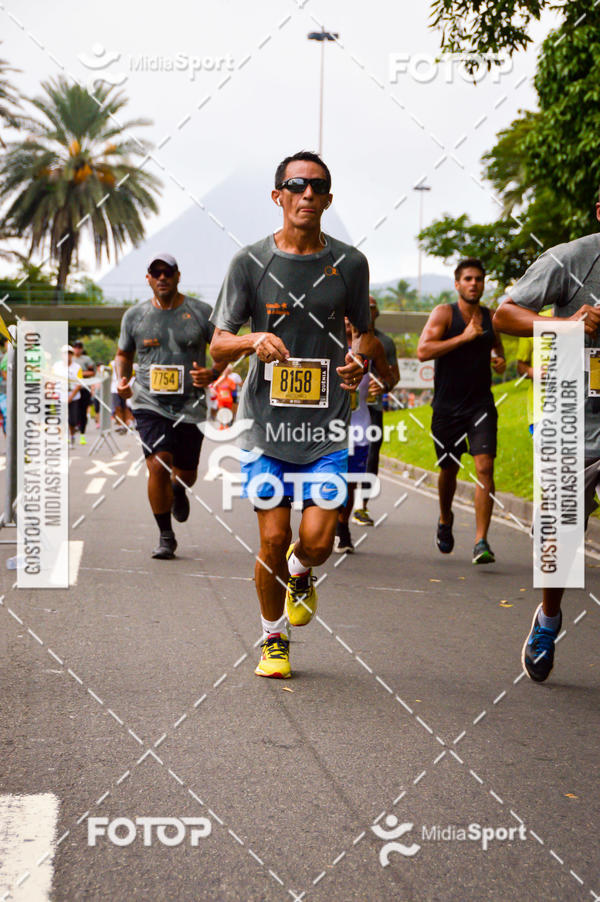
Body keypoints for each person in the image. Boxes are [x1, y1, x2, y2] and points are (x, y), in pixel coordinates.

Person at [210, 150, 393, 679]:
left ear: (328, 199)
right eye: (296, 184)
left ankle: (300, 569)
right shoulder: (248, 262)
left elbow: (366, 330)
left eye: (317, 186)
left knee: (315, 541)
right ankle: (273, 638)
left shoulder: (350, 264)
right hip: (267, 429)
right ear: (279, 196)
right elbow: (219, 344)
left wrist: (360, 357)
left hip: (329, 428)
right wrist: (252, 339)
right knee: (270, 536)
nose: (307, 193)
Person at [494, 210, 600, 682]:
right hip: (574, 425)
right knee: (559, 544)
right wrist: (566, 324)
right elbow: (505, 313)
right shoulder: (570, 258)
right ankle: (548, 619)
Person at [115, 253, 224, 559]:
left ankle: (179, 489)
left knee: (186, 472)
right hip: (150, 403)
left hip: (191, 405)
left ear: (178, 276)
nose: (162, 277)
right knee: (158, 462)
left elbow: (223, 348)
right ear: (148, 279)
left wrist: (213, 373)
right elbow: (123, 354)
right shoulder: (134, 316)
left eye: (168, 272)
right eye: (156, 273)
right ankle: (166, 535)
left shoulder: (202, 312)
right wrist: (122, 382)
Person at [417, 257, 506, 564]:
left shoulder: (490, 317)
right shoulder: (445, 313)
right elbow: (422, 351)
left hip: (480, 405)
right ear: (457, 284)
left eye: (478, 279)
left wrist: (498, 359)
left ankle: (481, 540)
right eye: (467, 279)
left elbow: (497, 347)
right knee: (449, 470)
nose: (473, 283)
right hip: (447, 407)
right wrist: (463, 337)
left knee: (485, 468)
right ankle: (445, 517)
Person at [353, 297, 399, 527]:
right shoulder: (343, 338)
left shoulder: (385, 343)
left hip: (373, 408)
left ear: (377, 312)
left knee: (371, 457)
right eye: (364, 308)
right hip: (345, 412)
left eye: (371, 308)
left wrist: (383, 385)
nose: (367, 312)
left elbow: (393, 377)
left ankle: (362, 506)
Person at [72, 340, 95, 445]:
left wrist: (81, 373)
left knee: (82, 411)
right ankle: (73, 428)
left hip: (84, 388)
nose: (77, 349)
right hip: (72, 388)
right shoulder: (70, 359)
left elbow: (92, 372)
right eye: (75, 347)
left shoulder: (86, 359)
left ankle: (82, 432)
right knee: (73, 411)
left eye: (79, 347)